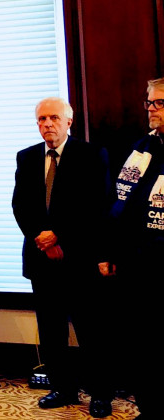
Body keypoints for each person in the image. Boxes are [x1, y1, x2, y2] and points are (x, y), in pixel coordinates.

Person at [12, 97, 114, 417]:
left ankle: (100, 393)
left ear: (69, 122)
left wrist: (59, 235)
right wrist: (40, 237)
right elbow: (21, 206)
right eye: (41, 119)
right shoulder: (26, 157)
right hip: (42, 260)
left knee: (90, 330)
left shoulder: (91, 154)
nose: (47, 124)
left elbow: (97, 205)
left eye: (54, 118)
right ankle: (62, 388)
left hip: (80, 257)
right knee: (51, 330)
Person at [102, 77, 164, 420]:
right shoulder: (142, 148)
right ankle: (149, 407)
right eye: (149, 102)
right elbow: (119, 203)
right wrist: (110, 252)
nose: (151, 109)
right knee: (142, 344)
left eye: (158, 102)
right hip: (138, 263)